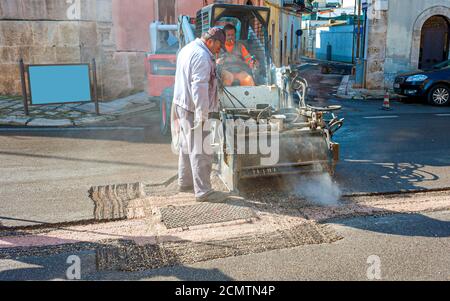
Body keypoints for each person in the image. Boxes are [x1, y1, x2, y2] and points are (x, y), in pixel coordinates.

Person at [172, 27, 228, 202]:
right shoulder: (202, 57)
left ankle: (185, 182)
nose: (220, 49)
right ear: (211, 40)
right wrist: (202, 116)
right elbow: (199, 88)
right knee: (201, 149)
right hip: (193, 108)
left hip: (181, 103)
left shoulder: (188, 49)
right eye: (219, 45)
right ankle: (204, 192)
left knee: (186, 145)